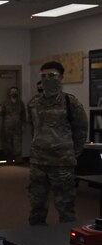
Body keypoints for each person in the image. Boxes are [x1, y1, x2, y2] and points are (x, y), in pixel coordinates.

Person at [27, 61, 87, 226]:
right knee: (37, 205)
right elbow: (33, 128)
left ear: (61, 77)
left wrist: (72, 153)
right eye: (44, 76)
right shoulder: (33, 103)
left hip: (62, 163)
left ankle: (69, 244)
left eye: (52, 76)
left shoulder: (70, 102)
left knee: (65, 207)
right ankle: (36, 239)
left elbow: (81, 130)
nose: (47, 79)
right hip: (38, 162)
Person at [1, 86, 26, 163]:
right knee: (7, 142)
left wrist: (23, 124)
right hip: (7, 126)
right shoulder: (5, 103)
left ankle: (18, 158)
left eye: (15, 91)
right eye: (12, 91)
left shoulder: (20, 103)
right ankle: (9, 158)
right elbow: (2, 113)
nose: (14, 93)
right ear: (9, 93)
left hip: (18, 126)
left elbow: (23, 114)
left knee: (17, 142)